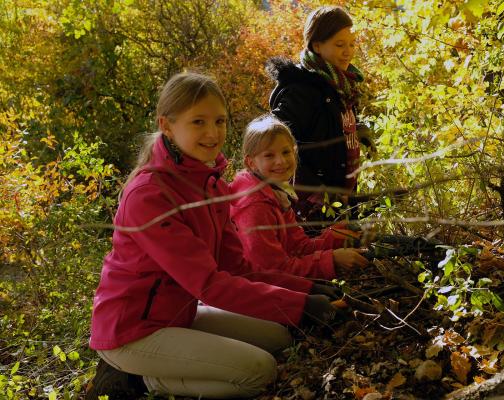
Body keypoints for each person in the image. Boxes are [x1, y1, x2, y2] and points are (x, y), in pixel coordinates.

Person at [86, 71, 341, 400]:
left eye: (220, 121)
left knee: (278, 335)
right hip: (133, 330)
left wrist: (307, 290)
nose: (212, 133)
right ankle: (146, 381)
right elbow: (208, 284)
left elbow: (238, 267)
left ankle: (169, 366)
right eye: (198, 122)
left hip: (179, 313)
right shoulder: (149, 195)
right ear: (167, 126)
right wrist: (302, 305)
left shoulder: (210, 184)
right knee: (259, 371)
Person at [266, 5, 375, 222]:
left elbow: (334, 121)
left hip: (341, 199)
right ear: (317, 45)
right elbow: (273, 141)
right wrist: (317, 190)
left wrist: (358, 130)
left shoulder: (341, 84)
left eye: (352, 44)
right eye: (340, 44)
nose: (348, 51)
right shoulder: (303, 90)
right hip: (313, 208)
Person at [230, 114, 369, 282]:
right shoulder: (255, 206)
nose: (281, 161)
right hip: (248, 291)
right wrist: (331, 260)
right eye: (269, 155)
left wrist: (336, 236)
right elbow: (271, 272)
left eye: (286, 152)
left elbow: (299, 247)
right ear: (251, 162)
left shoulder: (277, 192)